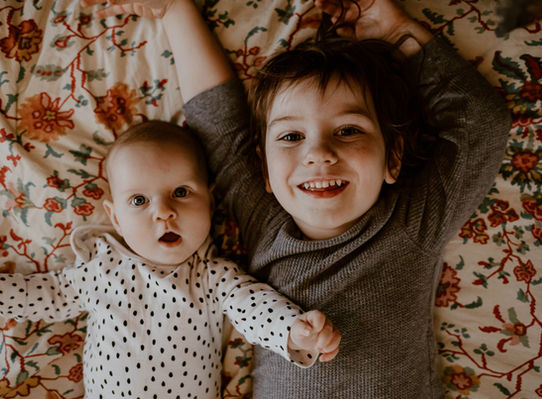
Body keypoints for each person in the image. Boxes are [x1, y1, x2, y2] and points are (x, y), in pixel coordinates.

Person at [86, 0, 510, 397]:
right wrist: (175, 9)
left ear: (392, 159)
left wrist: (394, 29)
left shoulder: (414, 222)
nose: (318, 153)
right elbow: (218, 121)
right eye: (291, 136)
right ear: (265, 169)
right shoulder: (264, 221)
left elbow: (480, 123)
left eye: (349, 130)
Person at [0, 120, 341, 399]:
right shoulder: (101, 270)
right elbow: (50, 294)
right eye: (139, 200)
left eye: (182, 192)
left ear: (211, 200)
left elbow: (254, 308)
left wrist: (293, 331)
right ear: (115, 217)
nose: (163, 212)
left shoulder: (213, 275)